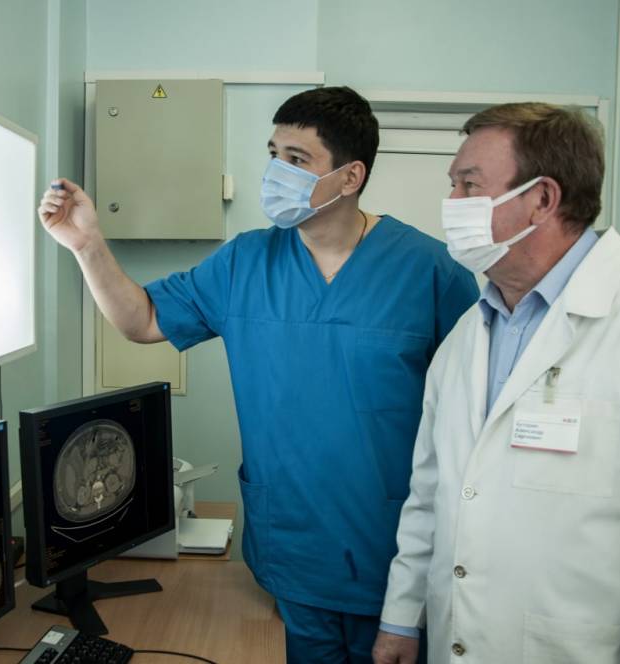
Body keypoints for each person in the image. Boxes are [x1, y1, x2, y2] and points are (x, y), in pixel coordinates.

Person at [38, 86, 478, 663]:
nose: (276, 173)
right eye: (274, 154)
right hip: (292, 551)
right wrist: (86, 244)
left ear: (350, 177)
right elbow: (141, 320)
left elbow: (474, 416)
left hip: (394, 557)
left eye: (297, 159)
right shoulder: (245, 262)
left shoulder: (430, 271)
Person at [372, 102, 620, 664]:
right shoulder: (466, 336)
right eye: (453, 185)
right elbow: (431, 495)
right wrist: (402, 617)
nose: (451, 204)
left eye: (469, 185)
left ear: (543, 199)